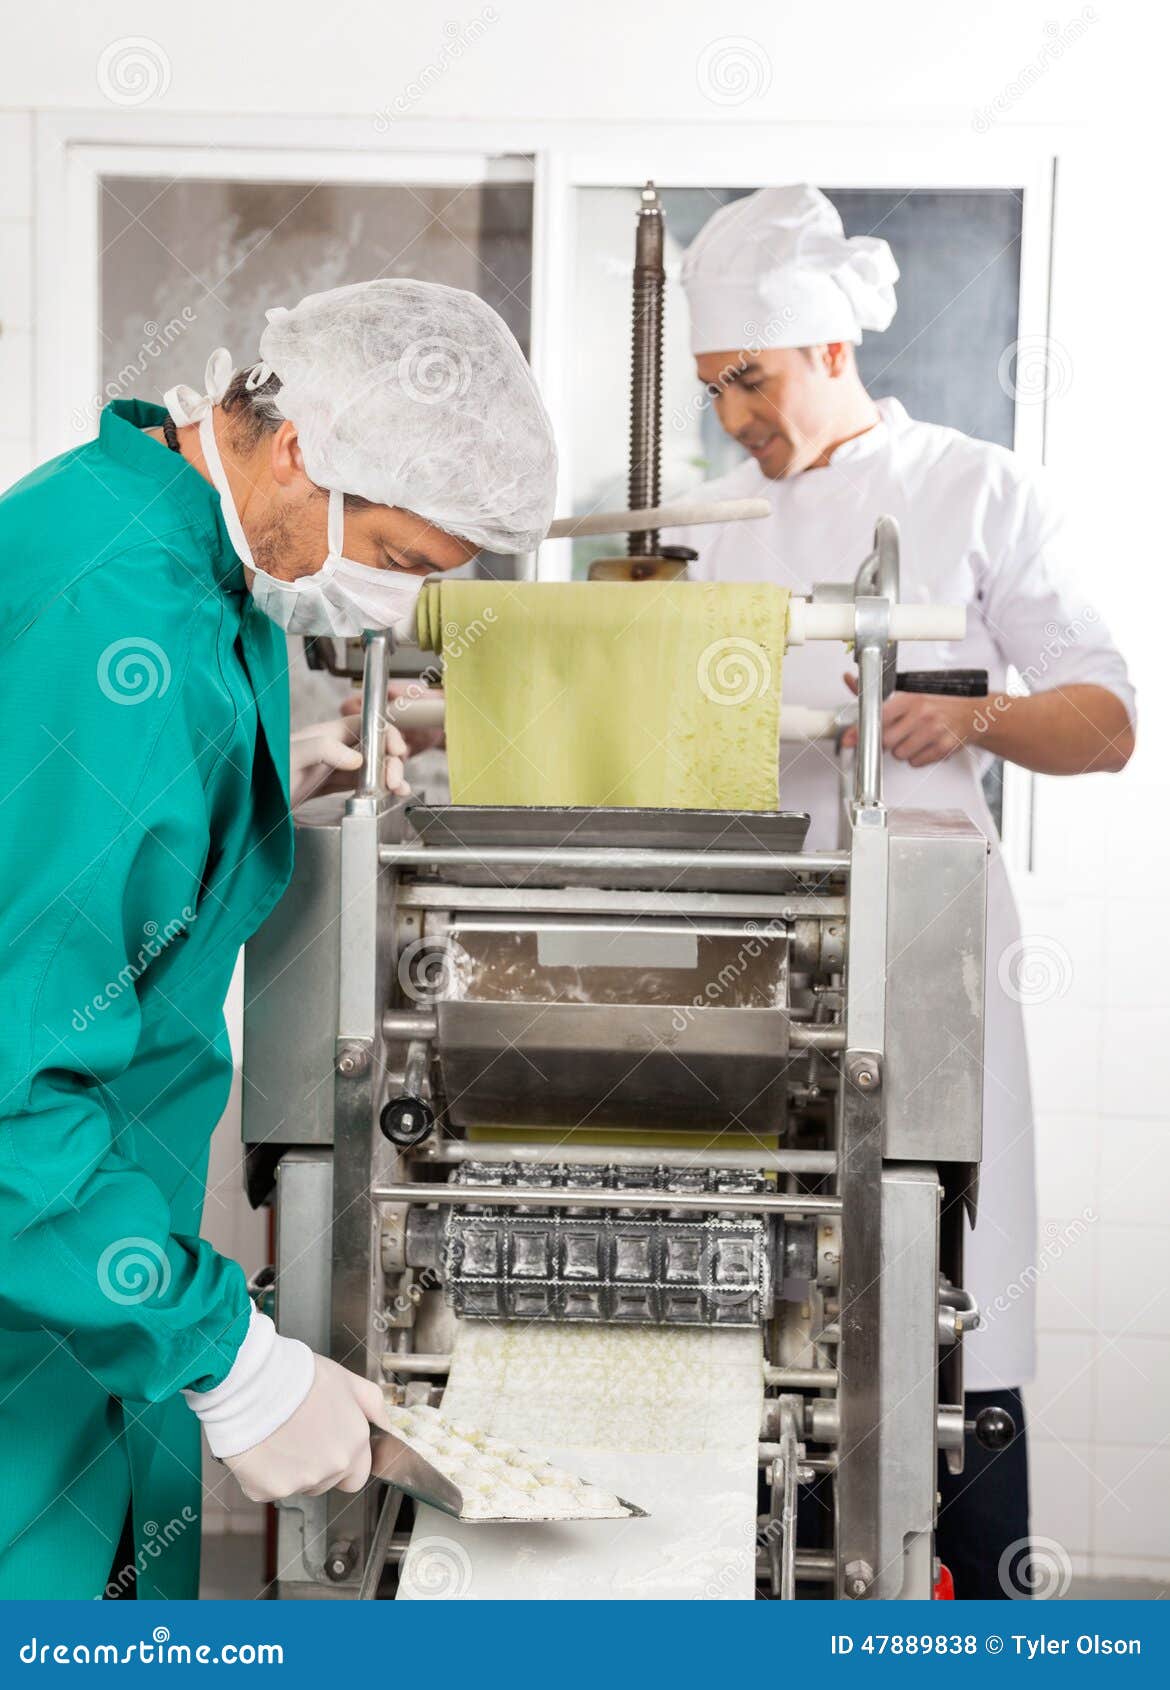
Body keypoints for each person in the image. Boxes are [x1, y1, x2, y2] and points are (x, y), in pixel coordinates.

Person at [0, 278, 557, 1599]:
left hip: (87, 1268)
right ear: (302, 450)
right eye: (405, 562)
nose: (388, 606)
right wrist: (231, 1359)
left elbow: (101, 840)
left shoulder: (162, 532)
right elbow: (13, 1094)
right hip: (50, 1260)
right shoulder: (117, 616)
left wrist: (259, 786)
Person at [665, 186, 1135, 1599]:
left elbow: (1104, 723)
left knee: (947, 1289)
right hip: (745, 941)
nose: (732, 414)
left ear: (822, 347)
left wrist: (977, 719)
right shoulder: (701, 524)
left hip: (924, 949)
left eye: (746, 378)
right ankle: (765, 1591)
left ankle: (978, 1604)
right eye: (709, 387)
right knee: (758, 1281)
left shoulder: (974, 486)